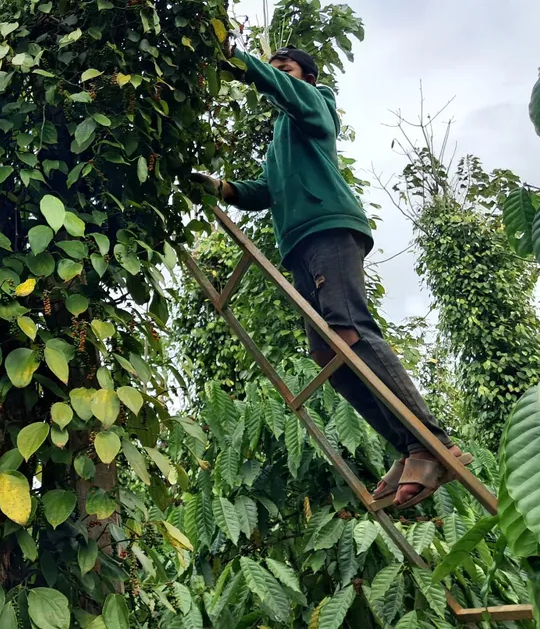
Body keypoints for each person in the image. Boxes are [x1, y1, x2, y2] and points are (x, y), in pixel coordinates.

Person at [191, 45, 472, 509]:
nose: (278, 75)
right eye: (275, 69)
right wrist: (223, 188)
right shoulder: (280, 138)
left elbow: (289, 93)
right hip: (299, 245)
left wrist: (239, 61)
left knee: (349, 330)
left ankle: (431, 443)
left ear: (306, 77)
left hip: (330, 229)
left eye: (286, 69)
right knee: (329, 357)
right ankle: (409, 447)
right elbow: (268, 190)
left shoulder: (316, 103)